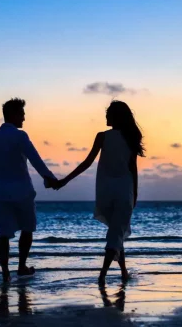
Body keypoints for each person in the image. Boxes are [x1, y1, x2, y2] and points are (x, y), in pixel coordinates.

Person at [55, 100, 145, 285]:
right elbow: (133, 169)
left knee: (116, 231)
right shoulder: (130, 137)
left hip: (105, 192)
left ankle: (123, 272)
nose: (106, 117)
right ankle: (102, 276)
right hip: (124, 190)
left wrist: (65, 181)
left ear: (116, 116)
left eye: (108, 114)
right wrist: (135, 194)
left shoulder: (102, 136)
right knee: (116, 233)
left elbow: (87, 163)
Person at [0, 98, 57, 283]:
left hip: (0, 192)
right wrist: (49, 178)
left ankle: (5, 272)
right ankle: (21, 266)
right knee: (27, 229)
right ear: (13, 114)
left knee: (3, 233)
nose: (24, 118)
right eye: (22, 114)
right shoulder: (20, 136)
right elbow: (35, 159)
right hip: (22, 191)